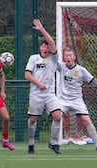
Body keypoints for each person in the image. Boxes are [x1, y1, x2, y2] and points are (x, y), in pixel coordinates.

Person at [57, 47, 97, 152]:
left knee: (87, 120)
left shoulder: (81, 70)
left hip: (77, 100)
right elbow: (52, 59)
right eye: (66, 55)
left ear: (74, 57)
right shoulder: (61, 67)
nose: (68, 57)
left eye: (70, 55)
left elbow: (94, 80)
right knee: (57, 117)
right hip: (63, 100)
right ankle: (54, 144)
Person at [25, 19, 63, 154]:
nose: (46, 48)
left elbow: (52, 43)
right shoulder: (33, 58)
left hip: (49, 94)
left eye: (48, 46)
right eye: (44, 46)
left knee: (58, 116)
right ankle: (31, 143)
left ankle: (54, 143)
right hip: (36, 94)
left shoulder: (53, 59)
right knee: (33, 119)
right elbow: (27, 75)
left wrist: (41, 29)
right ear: (40, 48)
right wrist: (38, 83)